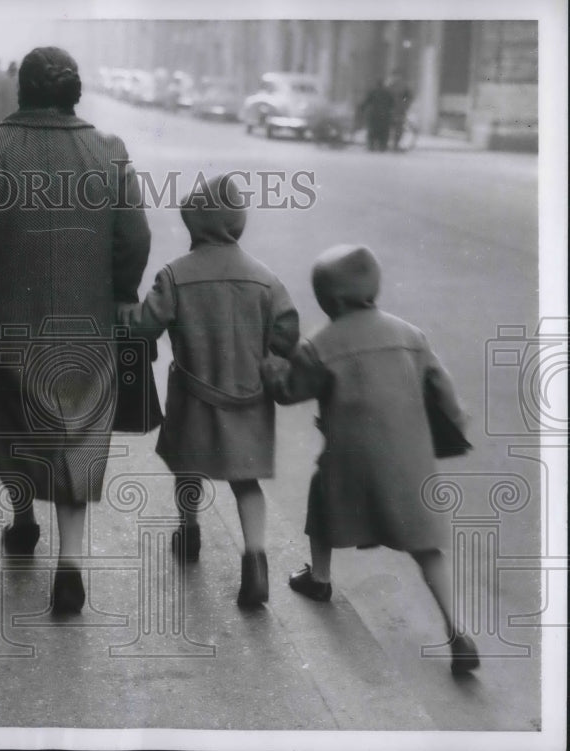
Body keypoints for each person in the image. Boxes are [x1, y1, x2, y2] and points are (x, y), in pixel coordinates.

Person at [0, 46, 151, 614]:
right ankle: (71, 562)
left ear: (22, 91)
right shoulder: (110, 153)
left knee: (9, 426)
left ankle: (23, 516)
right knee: (76, 435)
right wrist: (123, 294)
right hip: (86, 325)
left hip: (3, 325)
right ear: (74, 92)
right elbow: (134, 239)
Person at [261, 244, 479, 675]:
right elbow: (443, 391)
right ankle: (457, 631)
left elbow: (289, 391)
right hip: (408, 464)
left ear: (334, 301)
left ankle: (319, 578)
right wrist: (455, 423)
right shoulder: (411, 335)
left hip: (350, 464)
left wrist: (270, 368)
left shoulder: (320, 345)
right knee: (425, 547)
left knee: (321, 502)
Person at [118, 174, 299, 607]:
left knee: (188, 468)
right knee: (246, 480)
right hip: (249, 397)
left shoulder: (176, 276)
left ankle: (190, 530)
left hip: (194, 393)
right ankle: (255, 560)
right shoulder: (266, 279)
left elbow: (145, 325)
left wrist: (121, 312)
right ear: (238, 224)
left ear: (193, 225)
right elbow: (287, 334)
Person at [358, 78, 395, 152]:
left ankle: (371, 146)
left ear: (377, 85)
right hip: (385, 115)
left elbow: (366, 101)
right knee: (384, 131)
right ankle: (382, 146)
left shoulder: (373, 92)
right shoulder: (387, 93)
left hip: (374, 114)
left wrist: (361, 108)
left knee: (372, 131)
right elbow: (392, 104)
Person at [386, 70, 413, 151]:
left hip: (399, 110)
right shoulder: (389, 86)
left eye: (397, 76)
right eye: (395, 76)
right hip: (391, 110)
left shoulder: (403, 86)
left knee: (398, 128)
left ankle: (396, 144)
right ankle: (391, 144)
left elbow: (409, 97)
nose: (396, 78)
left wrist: (405, 105)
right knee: (390, 127)